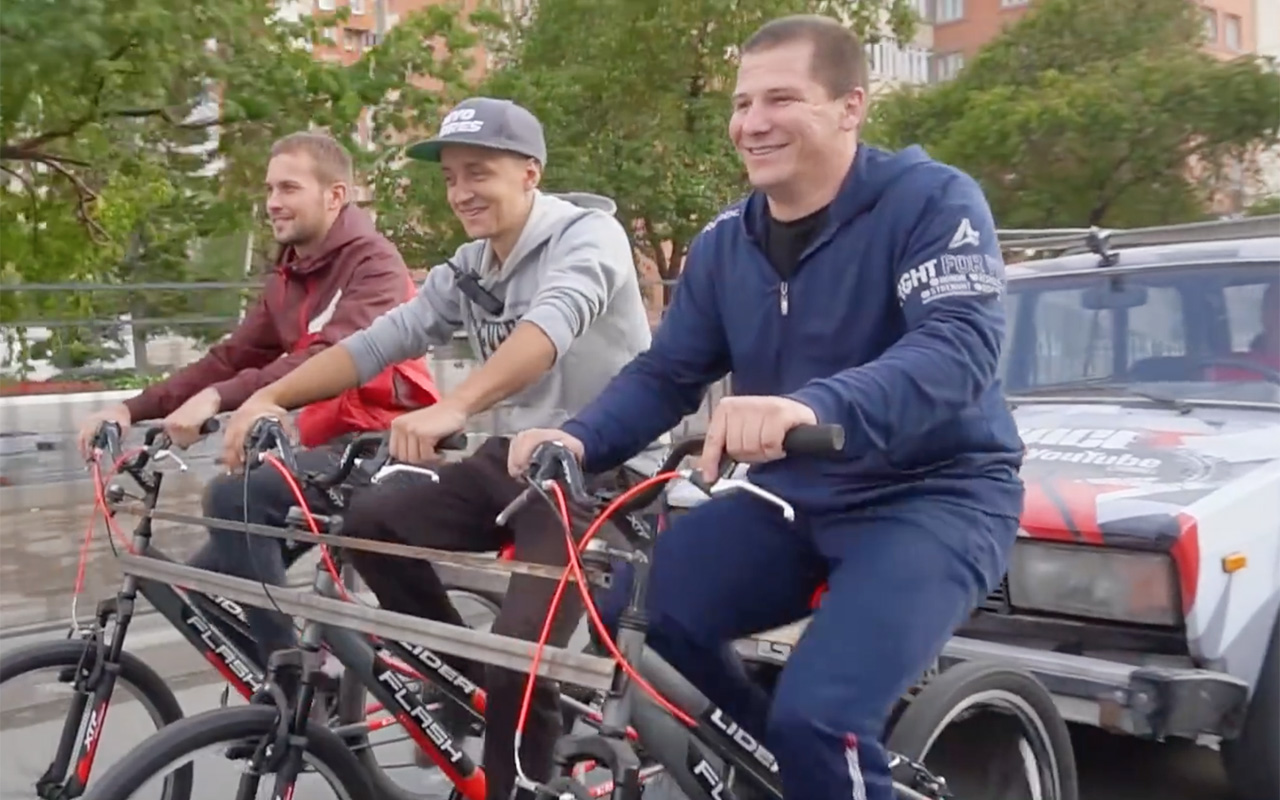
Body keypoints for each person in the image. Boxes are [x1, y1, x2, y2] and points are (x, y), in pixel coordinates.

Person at [509, 15, 1025, 800]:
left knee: (822, 718)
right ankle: (775, 774)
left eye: (781, 99)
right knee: (633, 618)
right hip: (792, 498)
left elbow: (959, 348)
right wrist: (579, 440)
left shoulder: (931, 201)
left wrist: (809, 407)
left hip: (934, 497)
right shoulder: (727, 243)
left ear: (851, 107)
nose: (752, 123)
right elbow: (670, 372)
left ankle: (814, 757)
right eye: (742, 103)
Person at [219, 97, 654, 799]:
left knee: (518, 654)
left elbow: (549, 328)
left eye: (478, 173)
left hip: (600, 469)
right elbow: (381, 340)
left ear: (530, 173)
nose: (460, 192)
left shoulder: (589, 236)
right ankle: (464, 682)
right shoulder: (470, 265)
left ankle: (520, 747)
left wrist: (454, 405)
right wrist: (270, 398)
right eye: (450, 177)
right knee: (370, 521)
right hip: (516, 460)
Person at [78, 131, 441, 667]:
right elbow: (231, 359)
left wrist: (220, 399)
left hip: (385, 447)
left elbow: (327, 358)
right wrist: (130, 409)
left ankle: (288, 681)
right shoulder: (290, 275)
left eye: (288, 188)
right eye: (270, 189)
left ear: (335, 196)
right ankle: (302, 699)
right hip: (327, 450)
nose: (273, 202)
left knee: (235, 498)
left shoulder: (375, 266)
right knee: (203, 589)